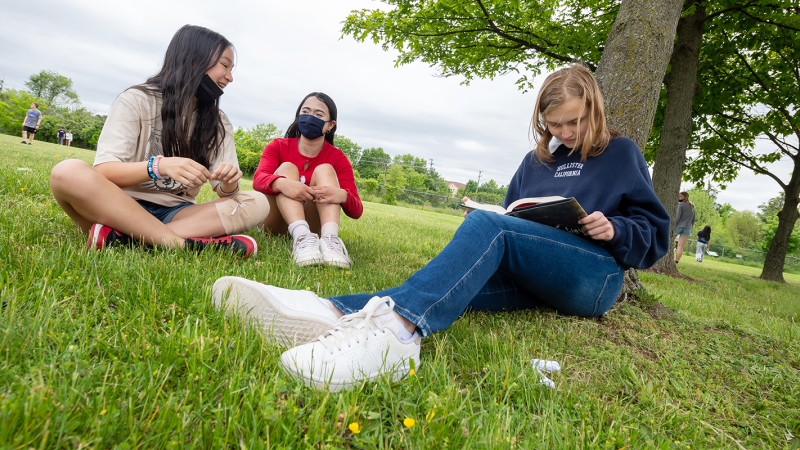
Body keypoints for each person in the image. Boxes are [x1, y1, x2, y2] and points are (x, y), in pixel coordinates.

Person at [212, 63, 671, 392]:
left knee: (490, 230)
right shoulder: (537, 160)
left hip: (593, 278)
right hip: (532, 277)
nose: (566, 133)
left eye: (575, 122)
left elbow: (654, 237)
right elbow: (515, 215)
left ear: (595, 109)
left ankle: (398, 338)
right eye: (555, 124)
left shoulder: (621, 153)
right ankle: (325, 311)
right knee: (440, 286)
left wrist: (615, 229)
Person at [50, 25, 269, 258]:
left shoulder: (219, 122)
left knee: (257, 202)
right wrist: (159, 167)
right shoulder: (137, 100)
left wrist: (229, 182)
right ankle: (183, 244)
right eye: (225, 65)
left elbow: (227, 194)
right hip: (118, 206)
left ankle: (125, 239)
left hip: (178, 212)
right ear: (194, 60)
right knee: (67, 172)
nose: (230, 77)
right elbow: (104, 171)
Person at [252, 92, 362, 269]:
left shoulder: (338, 157)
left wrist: (342, 195)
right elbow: (258, 179)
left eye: (319, 115)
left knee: (325, 169)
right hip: (275, 223)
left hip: (314, 226)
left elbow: (357, 210)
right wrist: (283, 183)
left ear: (330, 125)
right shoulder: (278, 146)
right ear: (298, 116)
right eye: (306, 111)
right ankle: (300, 236)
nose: (310, 117)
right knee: (287, 167)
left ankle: (329, 239)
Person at [673, 191, 695, 263]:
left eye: (680, 196)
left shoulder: (681, 205)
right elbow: (693, 220)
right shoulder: (692, 207)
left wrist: (673, 225)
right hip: (688, 228)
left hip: (679, 226)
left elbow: (678, 216)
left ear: (685, 197)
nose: (679, 198)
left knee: (670, 241)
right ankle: (677, 261)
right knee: (680, 246)